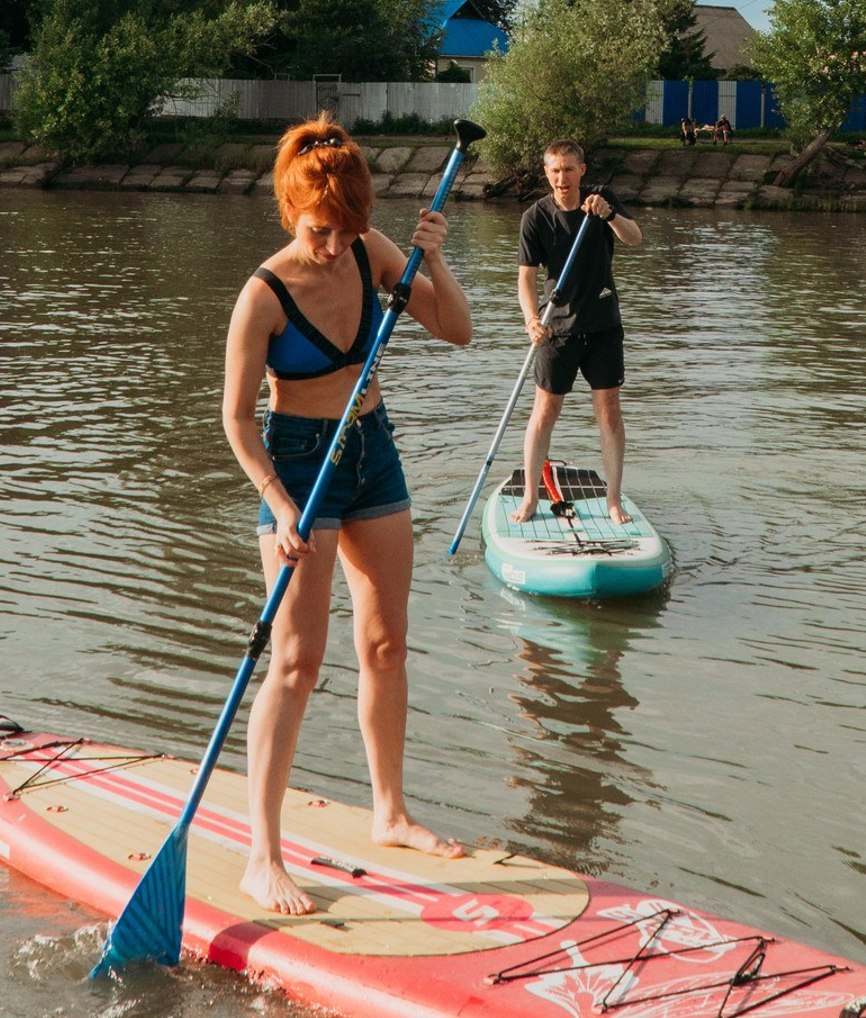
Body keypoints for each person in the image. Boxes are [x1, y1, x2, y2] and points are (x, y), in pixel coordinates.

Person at [221, 114, 473, 915]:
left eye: (346, 232)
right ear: (292, 210)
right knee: (296, 663)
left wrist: (432, 255)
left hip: (372, 451)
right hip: (297, 465)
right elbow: (233, 419)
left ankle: (390, 813)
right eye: (320, 231)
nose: (334, 246)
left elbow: (458, 331)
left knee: (387, 643)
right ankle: (263, 856)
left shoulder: (373, 251)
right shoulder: (262, 294)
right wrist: (278, 503)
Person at [514, 139, 643, 527]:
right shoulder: (535, 217)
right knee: (544, 412)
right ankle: (531, 495)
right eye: (555, 170)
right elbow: (526, 278)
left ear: (582, 171)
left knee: (609, 413)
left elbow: (634, 237)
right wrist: (530, 319)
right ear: (547, 174)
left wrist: (610, 217)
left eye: (569, 169)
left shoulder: (600, 200)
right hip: (557, 328)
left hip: (603, 325)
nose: (562, 178)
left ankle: (614, 500)